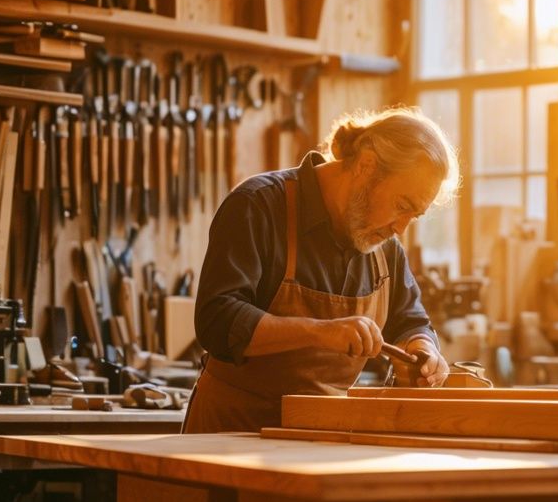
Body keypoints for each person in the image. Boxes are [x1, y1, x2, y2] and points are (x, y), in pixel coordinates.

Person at [182, 106, 459, 433]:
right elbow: (217, 321)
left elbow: (410, 321)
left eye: (414, 215)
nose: (401, 228)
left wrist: (422, 348)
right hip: (228, 436)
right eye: (402, 206)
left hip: (317, 440)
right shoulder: (259, 206)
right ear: (367, 166)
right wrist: (320, 332)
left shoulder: (384, 247)